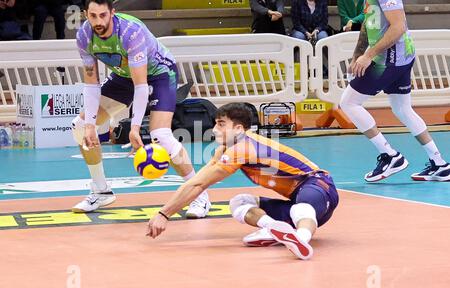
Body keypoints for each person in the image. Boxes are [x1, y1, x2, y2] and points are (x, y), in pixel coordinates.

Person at [146, 103, 339, 261]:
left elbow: (197, 185)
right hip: (300, 205)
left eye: (221, 124)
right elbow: (198, 182)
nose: (214, 129)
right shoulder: (224, 150)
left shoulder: (244, 147)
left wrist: (164, 214)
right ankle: (274, 229)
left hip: (319, 188)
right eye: (215, 123)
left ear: (238, 129)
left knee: (301, 207)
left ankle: (301, 239)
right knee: (238, 202)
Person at [72, 0, 211, 216]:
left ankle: (199, 195)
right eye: (93, 16)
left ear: (112, 13)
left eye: (103, 15)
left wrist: (135, 127)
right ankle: (101, 191)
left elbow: (141, 85)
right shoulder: (84, 37)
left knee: (161, 134)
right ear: (85, 14)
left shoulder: (130, 32)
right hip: (123, 75)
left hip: (159, 73)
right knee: (80, 126)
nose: (98, 21)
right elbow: (91, 82)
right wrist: (90, 124)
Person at [339, 0, 450, 182]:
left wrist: (368, 55)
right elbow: (368, 23)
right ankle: (440, 164)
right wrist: (357, 55)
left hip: (390, 59)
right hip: (401, 57)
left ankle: (390, 156)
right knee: (402, 109)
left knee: (349, 102)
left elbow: (398, 27)